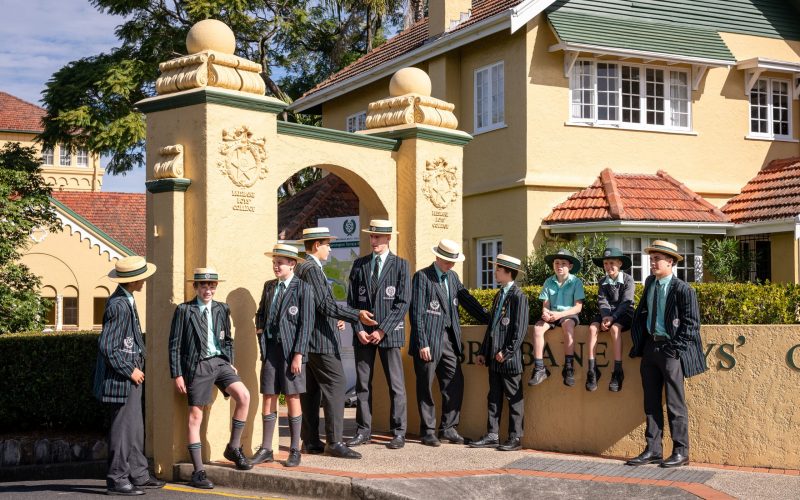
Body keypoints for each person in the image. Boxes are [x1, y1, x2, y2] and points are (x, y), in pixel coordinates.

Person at [295, 227, 377, 459]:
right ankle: (335, 441)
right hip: (319, 340)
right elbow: (324, 305)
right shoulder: (311, 269)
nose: (330, 248)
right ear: (316, 246)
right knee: (337, 384)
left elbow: (317, 305)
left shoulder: (307, 268)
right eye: (327, 244)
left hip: (312, 338)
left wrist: (337, 317)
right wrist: (355, 315)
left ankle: (310, 441)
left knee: (311, 391)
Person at [168, 267, 252, 490]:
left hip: (221, 362)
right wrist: (177, 374)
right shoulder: (184, 311)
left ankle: (233, 448)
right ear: (195, 287)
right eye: (203, 285)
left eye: (212, 285)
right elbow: (174, 345)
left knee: (244, 396)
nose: (208, 289)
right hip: (198, 366)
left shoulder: (222, 309)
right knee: (196, 416)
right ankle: (198, 472)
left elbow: (228, 339)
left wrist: (230, 360)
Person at [625, 240, 706, 469]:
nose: (652, 263)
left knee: (674, 403)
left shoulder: (683, 289)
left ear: (670, 262)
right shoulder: (650, 282)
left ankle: (681, 452)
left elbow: (691, 324)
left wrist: (675, 348)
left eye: (657, 259)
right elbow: (642, 313)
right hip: (650, 347)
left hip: (671, 351)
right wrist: (641, 342)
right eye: (651, 259)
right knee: (650, 402)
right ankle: (653, 449)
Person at [93, 255, 165, 496]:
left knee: (134, 428)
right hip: (121, 378)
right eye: (141, 278)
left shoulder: (127, 300)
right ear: (132, 281)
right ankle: (117, 479)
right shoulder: (119, 305)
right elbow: (108, 346)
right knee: (123, 430)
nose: (144, 281)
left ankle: (138, 474)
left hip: (131, 375)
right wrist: (130, 369)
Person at [410, 239, 490, 446]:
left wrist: (490, 318)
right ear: (437, 257)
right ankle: (427, 431)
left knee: (454, 383)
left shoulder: (453, 278)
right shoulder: (422, 277)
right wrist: (422, 342)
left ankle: (449, 428)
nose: (450, 265)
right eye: (447, 261)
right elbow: (416, 312)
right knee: (425, 386)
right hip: (428, 340)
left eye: (452, 262)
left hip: (449, 341)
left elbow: (467, 301)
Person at [345, 219, 410, 450]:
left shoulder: (401, 265)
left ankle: (399, 432)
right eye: (371, 236)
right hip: (363, 336)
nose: (373, 241)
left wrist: (382, 330)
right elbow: (351, 302)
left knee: (396, 385)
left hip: (389, 334)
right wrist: (359, 329)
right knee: (363, 385)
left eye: (378, 237)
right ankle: (363, 431)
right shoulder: (359, 264)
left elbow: (403, 303)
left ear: (388, 238)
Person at [252, 244, 314, 467]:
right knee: (269, 395)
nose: (276, 266)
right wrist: (260, 329)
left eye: (280, 262)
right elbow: (260, 313)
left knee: (292, 396)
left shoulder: (303, 289)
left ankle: (295, 449)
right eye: (274, 262)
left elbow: (306, 325)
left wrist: (298, 355)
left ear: (292, 265)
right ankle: (267, 448)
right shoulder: (269, 287)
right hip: (271, 350)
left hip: (291, 352)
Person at [470, 254, 529, 452]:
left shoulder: (519, 297)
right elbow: (492, 327)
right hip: (494, 358)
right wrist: (483, 351)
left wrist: (507, 352)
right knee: (493, 396)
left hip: (508, 360)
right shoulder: (499, 295)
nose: (495, 272)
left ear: (507, 272)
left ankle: (515, 438)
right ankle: (492, 435)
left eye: (498, 269)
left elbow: (519, 331)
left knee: (514, 398)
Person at [528, 249, 585, 387]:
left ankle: (569, 368)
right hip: (552, 315)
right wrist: (545, 313)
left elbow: (578, 308)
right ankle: (539, 368)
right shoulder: (548, 282)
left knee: (568, 325)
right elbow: (546, 305)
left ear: (570, 266)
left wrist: (559, 315)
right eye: (557, 263)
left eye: (563, 263)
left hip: (568, 315)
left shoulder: (576, 282)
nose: (559, 266)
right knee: (537, 329)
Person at [586, 247, 635, 392]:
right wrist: (605, 316)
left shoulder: (628, 280)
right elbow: (602, 301)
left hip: (624, 314)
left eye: (611, 263)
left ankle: (618, 371)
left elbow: (627, 302)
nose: (608, 267)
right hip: (607, 314)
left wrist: (612, 318)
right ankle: (592, 369)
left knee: (614, 329)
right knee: (592, 328)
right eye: (606, 263)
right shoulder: (602, 281)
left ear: (619, 263)